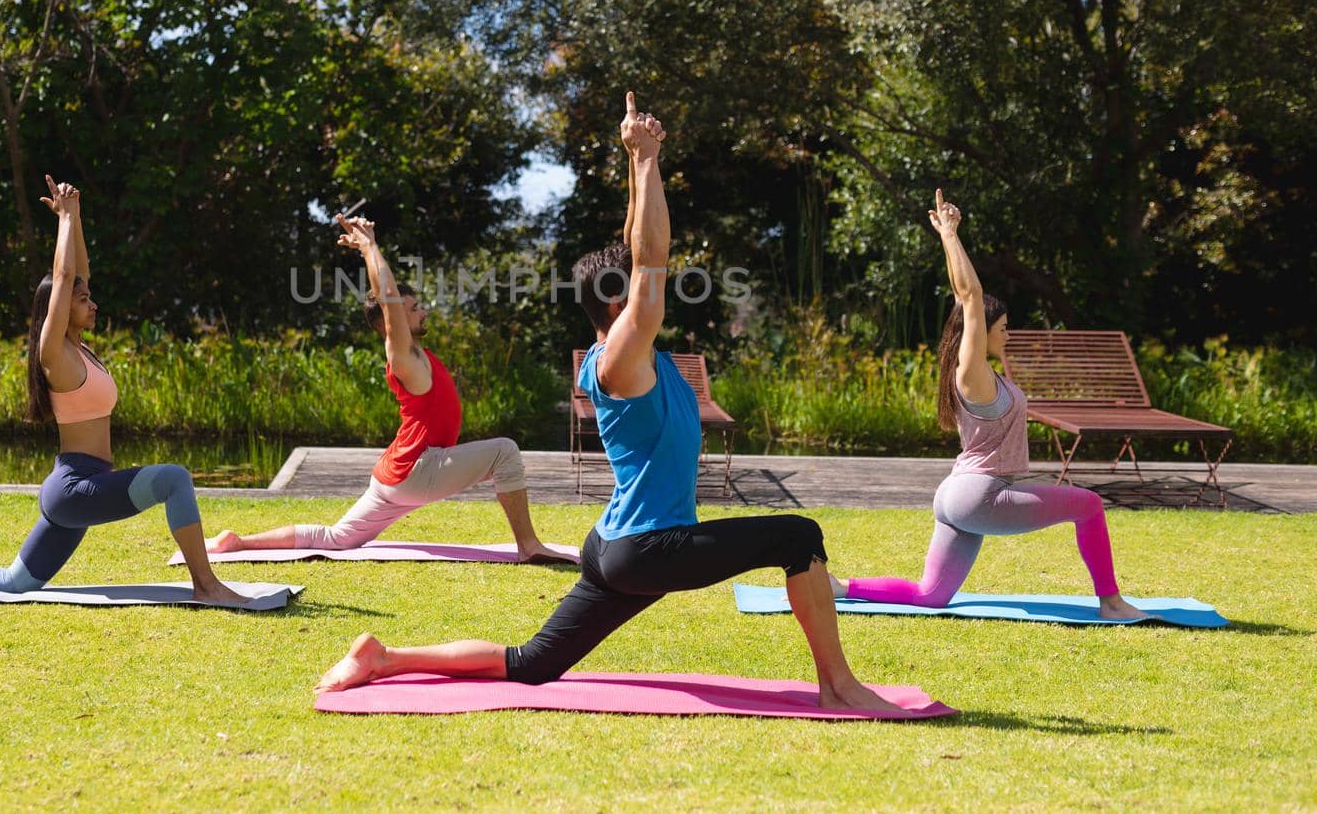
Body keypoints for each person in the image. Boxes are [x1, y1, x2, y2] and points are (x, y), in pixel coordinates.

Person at [316, 94, 906, 714]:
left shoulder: (623, 349)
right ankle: (838, 684)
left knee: (532, 663)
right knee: (798, 535)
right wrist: (647, 159)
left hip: (616, 545)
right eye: (642, 293)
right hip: (648, 547)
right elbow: (651, 259)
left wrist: (635, 161)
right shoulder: (623, 359)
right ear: (620, 306)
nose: (659, 291)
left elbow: (637, 249)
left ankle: (382, 658)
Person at [0, 175, 251, 605]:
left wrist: (76, 216)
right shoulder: (55, 355)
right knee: (175, 479)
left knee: (16, 583)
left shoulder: (79, 351)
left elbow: (77, 272)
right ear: (59, 309)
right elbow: (65, 275)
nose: (93, 302)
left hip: (80, 486)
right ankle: (206, 585)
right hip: (76, 487)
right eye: (83, 300)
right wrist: (62, 220)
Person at [829, 190, 1148, 621]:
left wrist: (948, 236)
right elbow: (971, 297)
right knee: (1088, 505)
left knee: (931, 595)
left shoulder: (985, 375)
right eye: (1002, 327)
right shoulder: (972, 373)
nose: (1008, 334)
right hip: (982, 495)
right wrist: (950, 235)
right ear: (980, 334)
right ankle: (1111, 602)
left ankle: (840, 587)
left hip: (957, 496)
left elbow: (964, 303)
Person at [206, 214, 570, 563]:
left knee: (337, 539)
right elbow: (389, 298)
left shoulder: (414, 353)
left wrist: (371, 245)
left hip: (394, 473)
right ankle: (528, 546)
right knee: (504, 451)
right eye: (413, 309)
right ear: (391, 321)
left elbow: (386, 295)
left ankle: (238, 541)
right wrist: (367, 248)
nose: (421, 312)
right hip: (416, 470)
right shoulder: (402, 354)